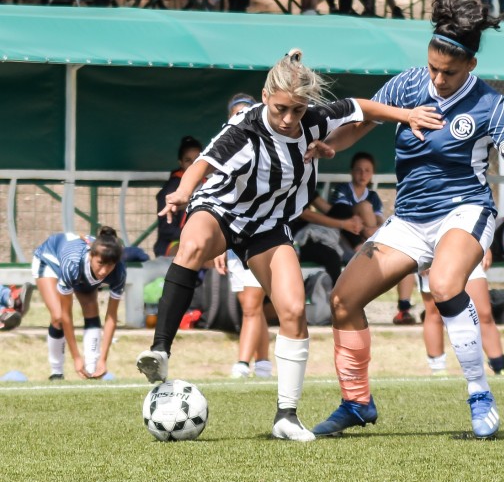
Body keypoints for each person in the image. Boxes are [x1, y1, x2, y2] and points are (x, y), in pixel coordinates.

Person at [135, 49, 443, 442]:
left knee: (294, 308)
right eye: (281, 108)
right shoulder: (243, 131)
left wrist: (409, 115)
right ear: (266, 97)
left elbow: (362, 108)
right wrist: (181, 193)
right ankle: (160, 350)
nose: (287, 119)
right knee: (192, 245)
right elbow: (202, 166)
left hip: (269, 225)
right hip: (223, 210)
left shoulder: (313, 121)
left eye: (296, 111)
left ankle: (286, 416)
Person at [310, 0, 504, 439]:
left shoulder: (490, 105)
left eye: (449, 72)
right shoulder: (406, 85)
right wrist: (329, 146)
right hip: (409, 219)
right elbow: (359, 124)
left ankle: (479, 393)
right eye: (433, 67)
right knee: (343, 300)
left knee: (443, 283)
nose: (437, 79)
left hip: (465, 210)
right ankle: (357, 403)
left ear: (471, 66)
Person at [212, 94, 273, 379]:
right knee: (251, 307)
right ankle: (263, 364)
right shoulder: (223, 156)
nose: (241, 117)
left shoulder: (270, 151)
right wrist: (219, 247)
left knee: (251, 306)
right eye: (236, 113)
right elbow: (218, 206)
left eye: (246, 113)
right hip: (233, 243)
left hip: (261, 238)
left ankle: (242, 364)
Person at [327, 151, 418, 323]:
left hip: (367, 242)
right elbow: (343, 216)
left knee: (406, 259)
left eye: (367, 171)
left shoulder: (373, 196)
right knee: (364, 206)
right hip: (345, 244)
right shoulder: (343, 190)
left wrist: (372, 230)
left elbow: (380, 222)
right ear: (352, 171)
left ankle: (403, 310)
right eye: (359, 170)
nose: (363, 175)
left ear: (372, 174)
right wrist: (368, 230)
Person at [32, 228, 126, 380]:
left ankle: (91, 369)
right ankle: (56, 373)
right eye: (100, 263)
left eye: (110, 265)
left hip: (80, 271)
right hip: (50, 259)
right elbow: (66, 315)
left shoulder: (119, 272)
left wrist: (103, 359)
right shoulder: (72, 264)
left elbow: (111, 317)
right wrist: (76, 357)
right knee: (57, 317)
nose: (103, 271)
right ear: (91, 255)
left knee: (90, 307)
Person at [419, 258, 504, 376]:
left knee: (483, 313)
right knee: (435, 313)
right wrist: (423, 257)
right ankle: (438, 369)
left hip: (466, 249)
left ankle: (499, 368)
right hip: (433, 252)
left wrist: (486, 245)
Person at [154, 135, 203, 257]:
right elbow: (167, 230)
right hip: (174, 242)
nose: (194, 164)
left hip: (205, 239)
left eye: (198, 159)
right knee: (193, 253)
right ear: (181, 163)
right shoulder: (171, 189)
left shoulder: (212, 184)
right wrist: (192, 236)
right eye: (188, 160)